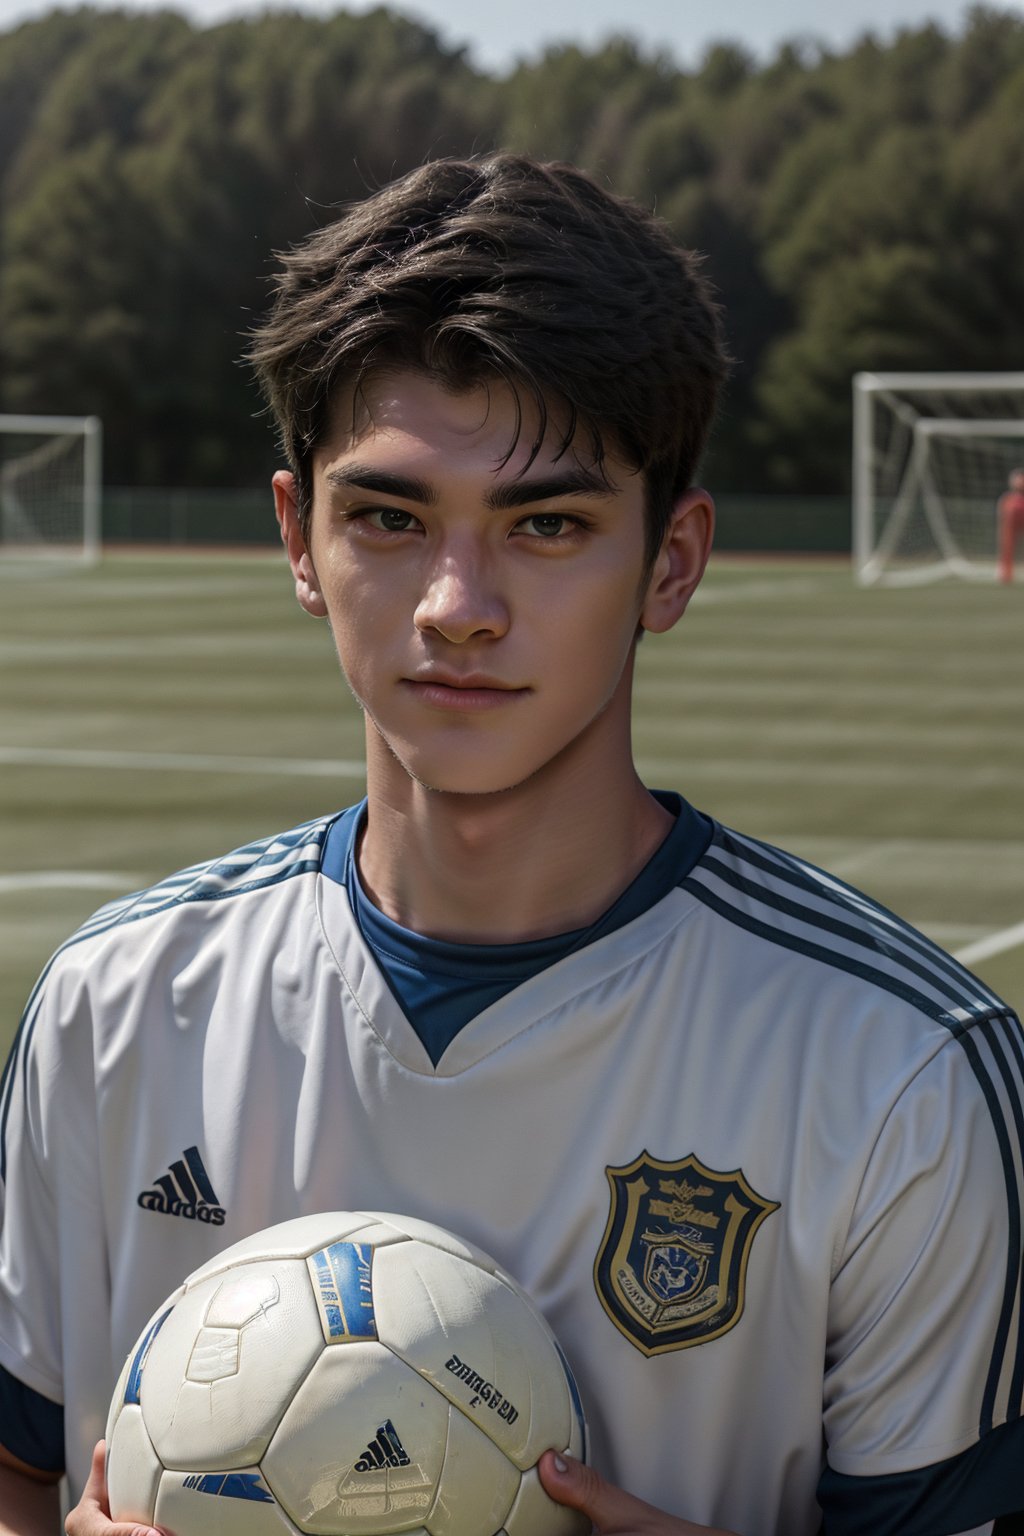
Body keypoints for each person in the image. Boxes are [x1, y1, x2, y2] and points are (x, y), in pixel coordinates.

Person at [0, 153, 1022, 1536]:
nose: (457, 606)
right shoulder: (112, 1012)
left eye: (547, 524)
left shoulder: (900, 1072)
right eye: (391, 518)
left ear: (672, 559)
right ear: (301, 539)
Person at [998, 467, 1024, 584]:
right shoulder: (1008, 500)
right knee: (1008, 545)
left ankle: (1006, 574)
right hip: (1012, 520)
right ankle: (1006, 574)